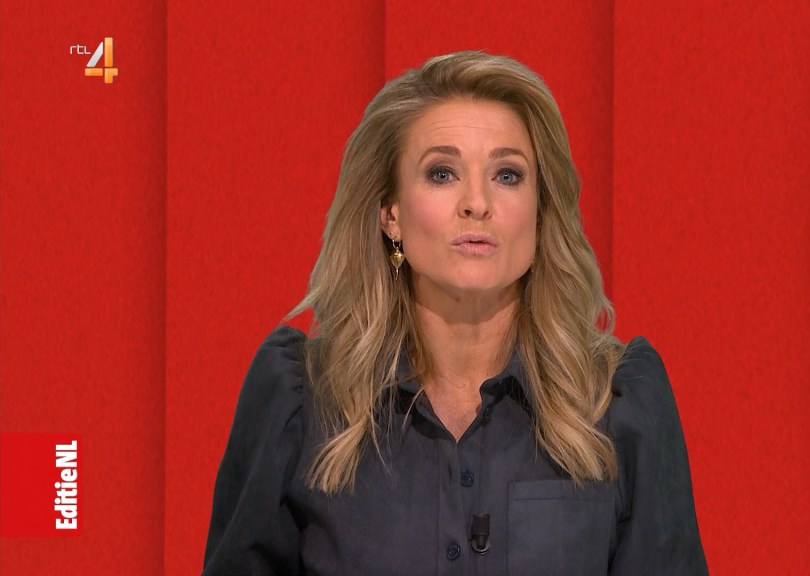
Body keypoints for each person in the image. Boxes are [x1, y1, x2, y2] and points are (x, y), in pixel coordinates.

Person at [202, 50, 708, 575]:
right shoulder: (301, 400)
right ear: (391, 215)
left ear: (539, 211)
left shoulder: (619, 402)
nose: (477, 202)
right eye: (442, 173)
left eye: (507, 175)